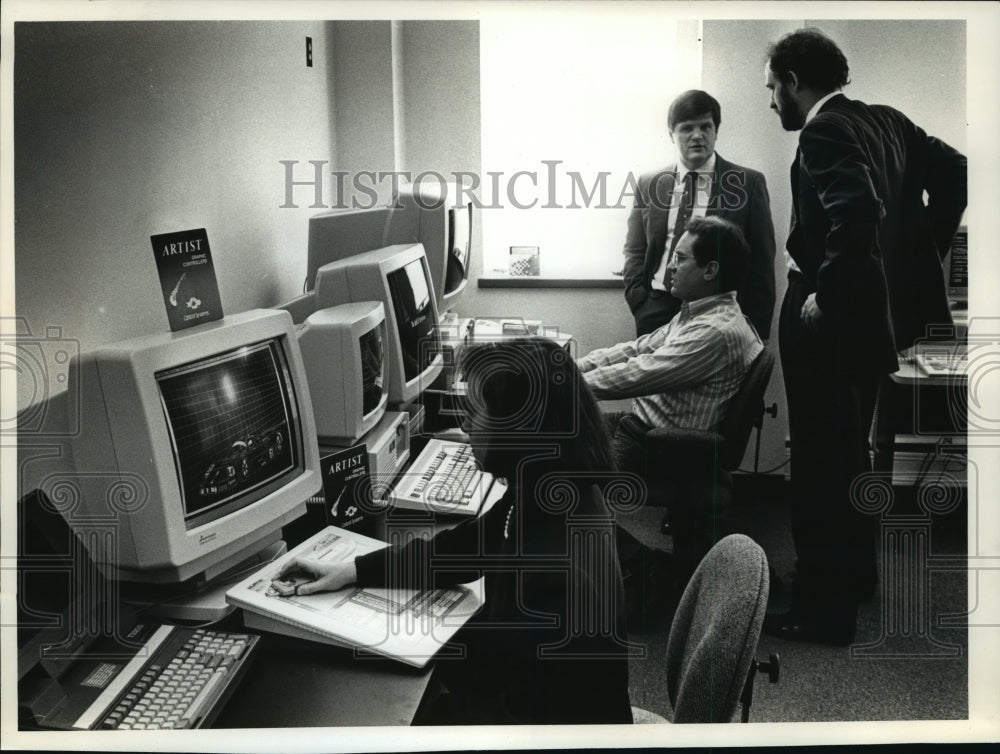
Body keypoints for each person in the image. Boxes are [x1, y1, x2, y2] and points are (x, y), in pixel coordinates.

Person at [275, 338, 634, 725]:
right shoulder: (549, 492)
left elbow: (506, 723)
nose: (464, 425)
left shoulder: (553, 573)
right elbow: (459, 549)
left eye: (475, 413)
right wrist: (352, 571)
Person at [763, 28, 967, 646]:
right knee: (850, 456)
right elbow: (957, 172)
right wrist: (916, 256)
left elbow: (855, 212)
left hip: (828, 321)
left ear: (796, 82)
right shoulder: (889, 121)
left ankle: (823, 613)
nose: (773, 102)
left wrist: (829, 290)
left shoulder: (823, 131)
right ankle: (853, 578)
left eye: (774, 88)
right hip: (869, 326)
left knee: (822, 465)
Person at [580, 215, 763, 586]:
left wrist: (561, 387)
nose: (670, 267)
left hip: (662, 447)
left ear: (710, 270)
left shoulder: (714, 331)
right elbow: (636, 349)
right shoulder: (699, 311)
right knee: (559, 443)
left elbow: (640, 373)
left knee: (554, 475)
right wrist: (567, 368)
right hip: (645, 430)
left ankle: (639, 567)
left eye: (680, 259)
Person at [622, 89, 776, 339]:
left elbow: (761, 263)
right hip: (656, 309)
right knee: (652, 377)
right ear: (671, 134)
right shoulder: (650, 183)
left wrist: (756, 330)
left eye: (706, 127)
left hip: (716, 315)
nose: (697, 136)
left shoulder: (747, 183)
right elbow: (635, 249)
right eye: (686, 128)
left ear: (716, 131)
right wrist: (640, 302)